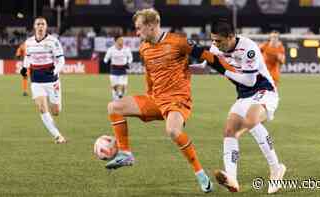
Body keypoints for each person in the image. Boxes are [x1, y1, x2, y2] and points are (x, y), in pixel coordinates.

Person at [104, 8, 213, 193]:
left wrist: (225, 68)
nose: (137, 33)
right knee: (114, 106)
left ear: (152, 25)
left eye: (139, 28)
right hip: (156, 99)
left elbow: (207, 58)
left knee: (172, 131)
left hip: (177, 100)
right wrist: (149, 94)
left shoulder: (178, 42)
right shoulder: (144, 48)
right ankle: (125, 153)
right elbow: (149, 73)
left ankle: (201, 174)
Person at [202, 20, 286, 194]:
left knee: (251, 119)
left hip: (264, 90)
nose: (215, 45)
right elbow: (204, 68)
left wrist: (222, 68)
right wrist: (183, 68)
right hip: (244, 96)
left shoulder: (249, 48)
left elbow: (250, 81)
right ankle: (232, 179)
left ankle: (276, 168)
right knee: (229, 131)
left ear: (231, 37)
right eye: (213, 40)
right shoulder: (215, 47)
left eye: (219, 41)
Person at [21, 16, 67, 144]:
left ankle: (57, 105)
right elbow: (27, 57)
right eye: (38, 24)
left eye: (43, 24)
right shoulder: (29, 42)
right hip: (36, 80)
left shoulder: (53, 41)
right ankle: (58, 136)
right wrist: (24, 68)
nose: (40, 26)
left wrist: (55, 71)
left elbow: (61, 60)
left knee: (56, 111)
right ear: (34, 27)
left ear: (46, 27)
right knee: (41, 107)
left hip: (52, 80)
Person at [103, 35, 133, 100]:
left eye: (122, 40)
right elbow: (105, 59)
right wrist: (106, 62)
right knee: (115, 88)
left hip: (123, 70)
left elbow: (130, 57)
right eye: (120, 40)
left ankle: (120, 96)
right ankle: (116, 100)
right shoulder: (111, 50)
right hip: (114, 70)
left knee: (123, 87)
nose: (122, 41)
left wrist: (128, 63)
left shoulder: (126, 49)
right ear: (116, 41)